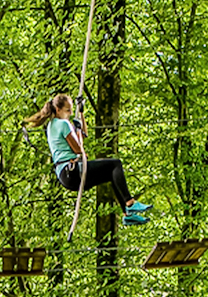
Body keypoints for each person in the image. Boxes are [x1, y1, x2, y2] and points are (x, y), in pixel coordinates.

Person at [24, 93, 152, 226]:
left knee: (111, 174)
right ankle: (130, 203)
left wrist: (81, 113)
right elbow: (79, 149)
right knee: (115, 164)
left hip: (65, 174)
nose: (70, 114)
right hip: (72, 171)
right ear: (58, 110)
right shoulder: (63, 124)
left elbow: (83, 134)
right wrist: (78, 130)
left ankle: (127, 214)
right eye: (68, 111)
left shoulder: (52, 126)